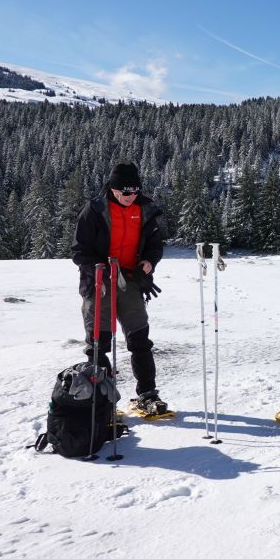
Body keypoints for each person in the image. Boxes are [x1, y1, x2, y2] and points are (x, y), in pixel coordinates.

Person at [71, 162, 167, 415]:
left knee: (139, 340)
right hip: (99, 282)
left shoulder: (146, 210)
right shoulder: (94, 210)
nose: (131, 196)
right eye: (126, 192)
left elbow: (156, 245)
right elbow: (79, 251)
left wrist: (149, 261)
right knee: (98, 344)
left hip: (131, 281)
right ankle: (102, 397)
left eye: (135, 191)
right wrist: (98, 268)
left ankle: (147, 394)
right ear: (113, 190)